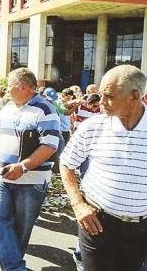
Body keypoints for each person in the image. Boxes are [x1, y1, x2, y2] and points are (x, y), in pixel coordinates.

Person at [60, 65, 147, 271]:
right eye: (100, 95)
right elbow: (66, 163)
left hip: (140, 230)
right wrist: (78, 204)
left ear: (134, 96)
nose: (100, 102)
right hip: (97, 223)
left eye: (108, 96)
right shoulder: (93, 126)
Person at [0, 68, 60, 271]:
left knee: (21, 229)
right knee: (0, 219)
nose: (6, 89)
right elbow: (1, 135)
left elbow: (50, 145)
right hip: (2, 177)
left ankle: (12, 267)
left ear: (23, 86)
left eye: (9, 85)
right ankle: (15, 268)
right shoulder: (7, 108)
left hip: (31, 181)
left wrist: (23, 167)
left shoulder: (45, 110)